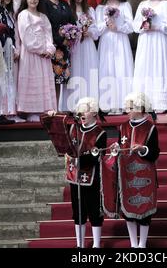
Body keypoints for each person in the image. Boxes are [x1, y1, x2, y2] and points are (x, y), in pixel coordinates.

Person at [111, 92, 160, 248]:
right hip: (126, 173)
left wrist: (142, 149)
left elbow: (155, 153)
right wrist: (117, 147)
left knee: (145, 210)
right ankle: (133, 244)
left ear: (140, 108)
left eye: (130, 107)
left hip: (145, 174)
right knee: (128, 211)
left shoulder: (150, 128)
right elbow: (121, 146)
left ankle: (142, 244)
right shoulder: (123, 126)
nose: (127, 110)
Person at [132, 0, 167, 113]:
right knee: (145, 68)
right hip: (146, 41)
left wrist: (156, 27)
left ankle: (161, 103)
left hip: (159, 41)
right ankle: (143, 102)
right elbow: (135, 25)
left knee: (159, 68)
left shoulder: (166, 4)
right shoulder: (142, 4)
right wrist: (143, 26)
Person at [65, 97, 106, 248]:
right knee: (78, 211)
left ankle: (96, 244)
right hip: (74, 176)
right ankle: (79, 244)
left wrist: (80, 158)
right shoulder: (73, 129)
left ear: (94, 113)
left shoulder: (100, 133)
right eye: (80, 110)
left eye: (86, 111)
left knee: (94, 210)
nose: (82, 114)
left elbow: (97, 157)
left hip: (92, 177)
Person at [16, 0, 57, 121]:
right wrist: (40, 49)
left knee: (43, 79)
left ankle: (43, 110)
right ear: (26, 0)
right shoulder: (24, 15)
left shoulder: (43, 16)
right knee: (32, 79)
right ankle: (31, 111)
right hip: (31, 54)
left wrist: (50, 49)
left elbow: (48, 34)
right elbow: (26, 36)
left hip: (44, 54)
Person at [95, 0, 134, 114]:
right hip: (106, 41)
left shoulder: (125, 5)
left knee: (121, 68)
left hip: (120, 39)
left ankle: (123, 103)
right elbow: (96, 29)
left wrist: (118, 27)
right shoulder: (100, 8)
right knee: (108, 69)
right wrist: (106, 24)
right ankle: (109, 104)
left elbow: (131, 26)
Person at [37, 0, 75, 105]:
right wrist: (59, 39)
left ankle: (57, 107)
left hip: (64, 48)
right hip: (51, 47)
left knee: (60, 79)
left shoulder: (64, 3)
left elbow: (72, 22)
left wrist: (70, 36)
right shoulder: (43, 4)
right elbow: (45, 26)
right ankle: (50, 107)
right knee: (50, 80)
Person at [60, 0, 99, 112]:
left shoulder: (90, 10)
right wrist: (72, 33)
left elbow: (97, 30)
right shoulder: (68, 10)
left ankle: (89, 103)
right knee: (75, 70)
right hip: (74, 46)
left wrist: (90, 32)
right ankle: (73, 104)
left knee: (88, 70)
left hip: (87, 45)